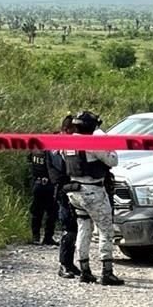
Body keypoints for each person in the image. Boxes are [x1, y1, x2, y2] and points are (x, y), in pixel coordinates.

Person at [62, 111, 125, 285]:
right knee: (106, 230)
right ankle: (107, 272)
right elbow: (112, 160)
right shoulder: (92, 142)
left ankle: (85, 270)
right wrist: (107, 144)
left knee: (84, 228)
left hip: (75, 190)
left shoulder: (67, 142)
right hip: (92, 190)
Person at [54, 114, 81, 279]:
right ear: (67, 129)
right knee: (68, 228)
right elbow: (59, 172)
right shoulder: (57, 146)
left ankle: (69, 263)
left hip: (72, 189)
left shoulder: (68, 144)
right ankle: (64, 264)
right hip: (64, 190)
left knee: (74, 228)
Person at [27, 143, 59, 246]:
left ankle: (35, 236)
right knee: (52, 212)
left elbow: (29, 163)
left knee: (37, 212)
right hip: (50, 185)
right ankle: (48, 237)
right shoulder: (51, 152)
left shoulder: (33, 151)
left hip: (37, 184)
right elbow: (57, 165)